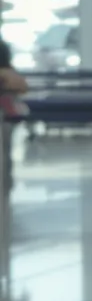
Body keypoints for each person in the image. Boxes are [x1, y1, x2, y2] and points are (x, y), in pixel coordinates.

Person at [0, 38, 29, 194]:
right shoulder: (10, 74)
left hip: (5, 114)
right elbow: (22, 87)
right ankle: (6, 181)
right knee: (5, 152)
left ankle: (6, 181)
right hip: (7, 114)